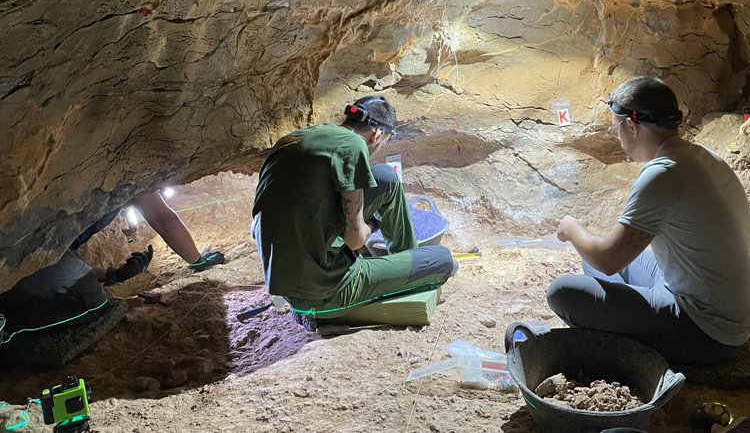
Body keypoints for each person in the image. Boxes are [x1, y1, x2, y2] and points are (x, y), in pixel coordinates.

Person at [546, 76, 750, 365]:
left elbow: (609, 260)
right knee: (590, 258)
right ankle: (626, 316)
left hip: (707, 332)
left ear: (632, 126)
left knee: (563, 293)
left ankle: (622, 337)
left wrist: (571, 228)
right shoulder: (701, 156)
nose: (618, 136)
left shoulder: (662, 173)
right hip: (723, 311)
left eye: (617, 128)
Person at [251, 96, 456, 325]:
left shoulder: (297, 138)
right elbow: (355, 240)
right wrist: (372, 226)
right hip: (324, 293)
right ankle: (407, 269)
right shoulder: (354, 145)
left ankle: (404, 260)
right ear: (377, 134)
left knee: (386, 178)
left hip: (286, 274)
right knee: (443, 261)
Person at [0, 189, 224, 350]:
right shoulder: (133, 169)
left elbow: (62, 252)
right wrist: (197, 261)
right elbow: (164, 219)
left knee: (78, 285)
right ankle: (8, 332)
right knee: (95, 306)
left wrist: (113, 275)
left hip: (33, 250)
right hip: (23, 254)